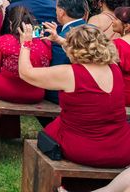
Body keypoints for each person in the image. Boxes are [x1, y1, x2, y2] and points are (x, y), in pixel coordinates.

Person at [19, 23, 130, 168]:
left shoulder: (70, 74)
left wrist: (26, 44)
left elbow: (25, 73)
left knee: (50, 131)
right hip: (122, 148)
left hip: (85, 149)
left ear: (74, 49)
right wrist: (60, 40)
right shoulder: (114, 67)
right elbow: (89, 49)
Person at [0, 6, 50, 103]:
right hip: (35, 93)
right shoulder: (45, 42)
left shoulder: (5, 39)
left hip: (5, 89)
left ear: (11, 24)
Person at [42, 0, 87, 103]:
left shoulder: (63, 38)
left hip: (68, 94)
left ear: (61, 12)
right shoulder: (93, 29)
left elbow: (56, 71)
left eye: (56, 9)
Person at [112, 7, 130, 105]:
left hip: (124, 96)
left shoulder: (116, 45)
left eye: (116, 19)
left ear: (126, 26)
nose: (112, 21)